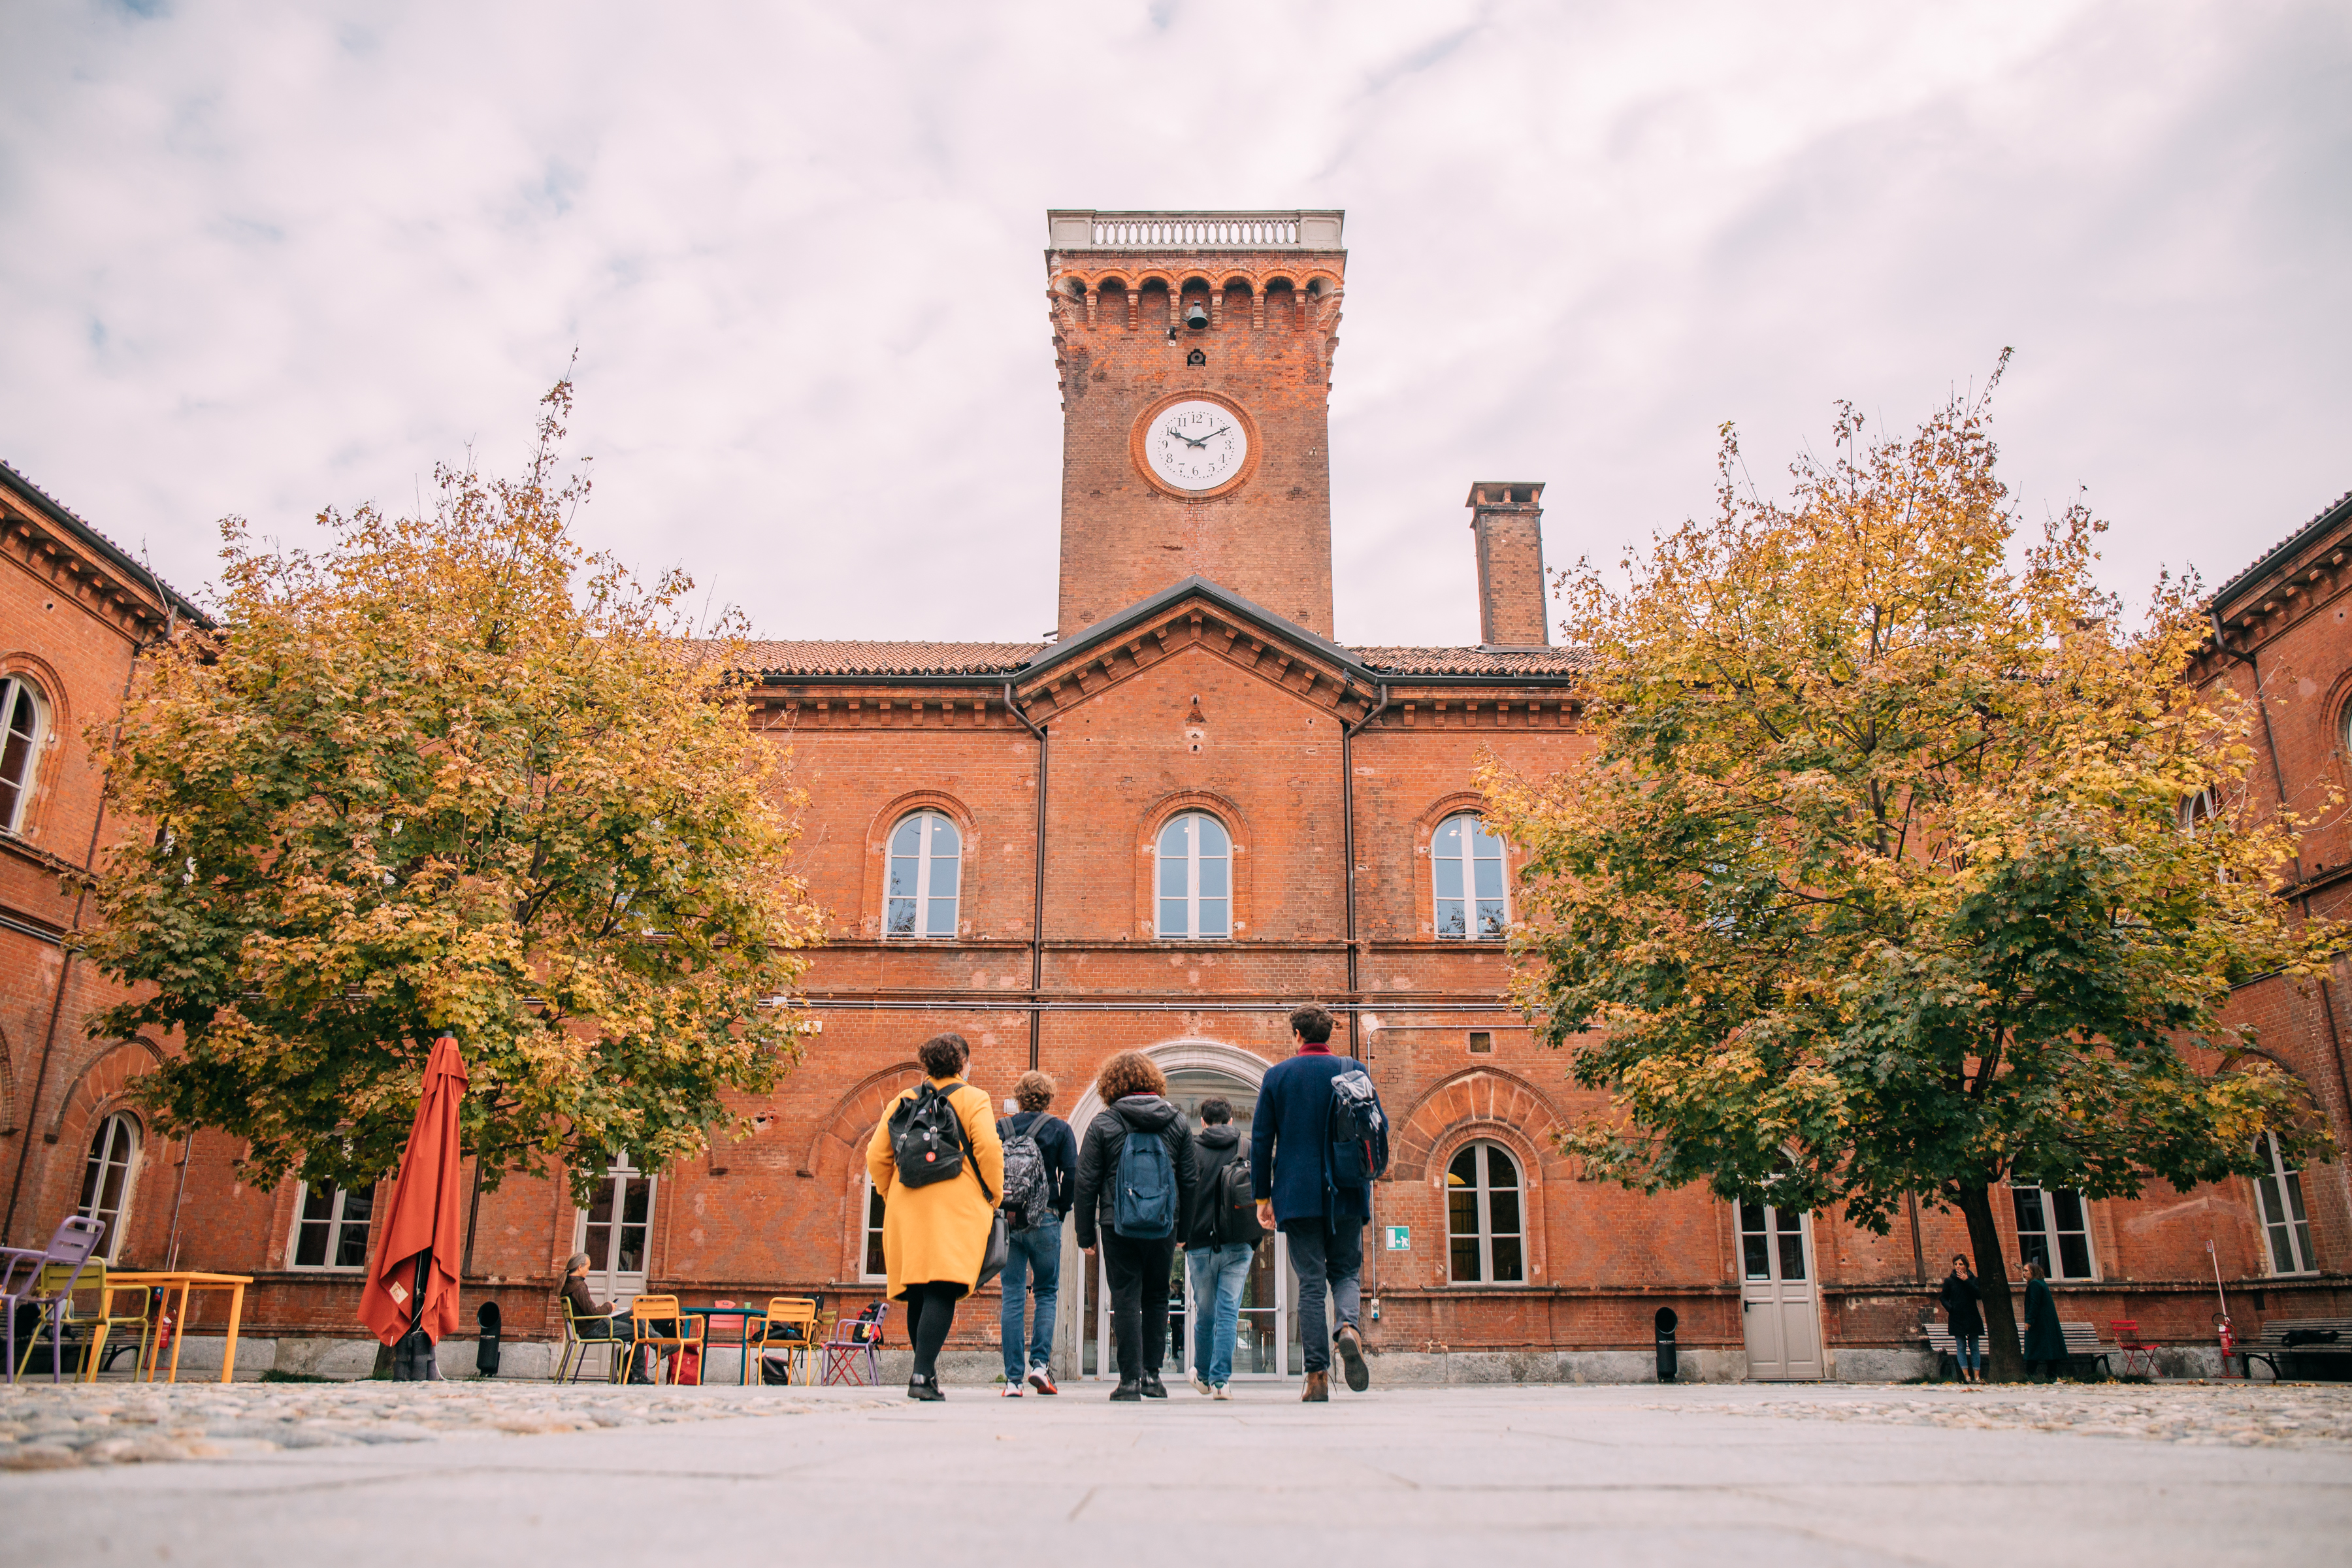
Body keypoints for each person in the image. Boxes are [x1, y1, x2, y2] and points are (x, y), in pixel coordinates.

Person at [1253, 1002, 1388, 1401]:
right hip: (1347, 1188)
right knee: (1346, 1272)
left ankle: (1316, 1377)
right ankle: (1347, 1328)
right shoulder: (1354, 1070)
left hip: (1297, 1194)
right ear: (1329, 1035)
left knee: (1311, 1285)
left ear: (1297, 1035)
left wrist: (1264, 1197)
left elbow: (1262, 1142)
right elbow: (1375, 1129)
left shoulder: (1278, 1076)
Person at [864, 1032, 1005, 1401]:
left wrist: (889, 1191)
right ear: (964, 1065)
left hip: (905, 1206)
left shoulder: (904, 1099)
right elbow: (989, 1149)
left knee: (917, 1291)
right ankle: (922, 1375)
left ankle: (923, 1372)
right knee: (943, 1285)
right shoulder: (975, 1098)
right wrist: (994, 1193)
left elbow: (876, 1155)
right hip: (954, 1207)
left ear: (927, 1065)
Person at [1073, 1051, 1198, 1401]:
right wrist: (1183, 1231)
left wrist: (1085, 1234)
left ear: (1111, 1084)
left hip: (1117, 1223)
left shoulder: (1103, 1123)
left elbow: (1085, 1183)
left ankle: (1129, 1381)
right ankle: (1153, 1377)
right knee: (1157, 1296)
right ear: (1152, 1081)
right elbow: (1190, 1181)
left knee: (1125, 1296)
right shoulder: (1176, 1122)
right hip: (1163, 1223)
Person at [996, 1069, 1076, 1397]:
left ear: (1019, 1096)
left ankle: (1013, 1380)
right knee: (1046, 1292)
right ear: (1048, 1097)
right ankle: (1040, 1366)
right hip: (1045, 1217)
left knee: (1012, 1294)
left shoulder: (1000, 1128)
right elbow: (1071, 1173)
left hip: (1008, 1219)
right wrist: (1061, 1210)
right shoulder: (1060, 1129)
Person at [1184, 1095, 1253, 1399]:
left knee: (1205, 1312)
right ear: (1230, 1120)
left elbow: (1182, 1192)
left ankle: (1201, 1372)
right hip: (1238, 1242)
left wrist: (1180, 1233)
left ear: (1202, 1122)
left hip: (1199, 1244)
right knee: (1229, 1312)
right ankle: (1221, 1381)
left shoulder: (1191, 1149)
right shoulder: (1247, 1147)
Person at [1937, 1253, 1984, 1385]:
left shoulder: (1973, 1280)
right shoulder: (1950, 1281)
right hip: (1957, 1317)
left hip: (1972, 1316)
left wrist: (1966, 1280)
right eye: (1956, 1264)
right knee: (1961, 1346)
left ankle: (1977, 1376)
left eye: (1961, 1264)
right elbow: (1943, 1297)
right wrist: (1951, 1309)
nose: (1958, 1266)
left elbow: (1978, 1295)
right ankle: (1966, 1375)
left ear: (1966, 1266)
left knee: (1974, 1347)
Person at [2021, 1258, 2066, 1380]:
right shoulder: (2041, 1283)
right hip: (2046, 1322)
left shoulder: (2035, 1284)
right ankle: (2050, 1374)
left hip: (2039, 1323)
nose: (2024, 1273)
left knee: (2033, 1346)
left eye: (2026, 1271)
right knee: (2048, 1348)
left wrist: (2029, 1320)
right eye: (2023, 1271)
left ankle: (2030, 1374)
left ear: (2033, 1272)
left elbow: (2034, 1303)